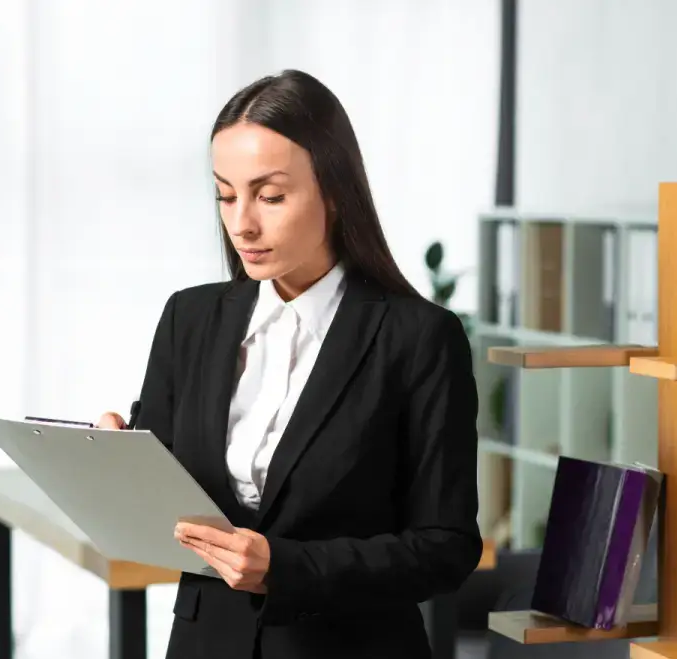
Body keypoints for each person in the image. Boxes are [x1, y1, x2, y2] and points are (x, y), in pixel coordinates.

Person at [97, 69, 482, 659]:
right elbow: (172, 501)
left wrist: (288, 567)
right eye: (226, 195)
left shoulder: (419, 338)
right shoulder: (189, 319)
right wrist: (120, 467)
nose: (242, 223)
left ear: (334, 190)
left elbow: (445, 547)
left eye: (270, 196)